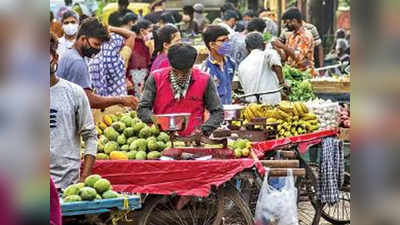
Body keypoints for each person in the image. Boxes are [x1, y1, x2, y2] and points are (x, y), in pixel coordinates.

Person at [138, 43, 223, 137]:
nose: (180, 76)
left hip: (194, 139)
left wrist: (204, 130)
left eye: (185, 73)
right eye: (175, 72)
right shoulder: (156, 77)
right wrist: (160, 122)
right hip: (162, 138)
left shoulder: (205, 79)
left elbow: (217, 112)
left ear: (192, 67)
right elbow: (143, 109)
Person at [50, 31, 97, 190]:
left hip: (66, 184)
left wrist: (84, 178)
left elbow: (90, 136)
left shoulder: (74, 93)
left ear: (55, 58)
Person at [57, 17, 138, 109]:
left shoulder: (70, 54)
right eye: (96, 44)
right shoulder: (77, 62)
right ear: (83, 39)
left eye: (100, 45)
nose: (98, 49)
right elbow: (89, 100)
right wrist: (121, 100)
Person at [88, 14, 136, 97]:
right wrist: (110, 28)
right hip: (120, 104)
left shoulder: (89, 59)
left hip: (98, 105)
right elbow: (131, 35)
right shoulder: (120, 60)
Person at [238, 32, 289, 105]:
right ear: (264, 45)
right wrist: (282, 82)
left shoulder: (242, 65)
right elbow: (275, 61)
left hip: (251, 105)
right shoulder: (267, 54)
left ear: (246, 48)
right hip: (270, 102)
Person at [272, 8, 316, 76]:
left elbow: (298, 57)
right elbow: (284, 57)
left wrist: (281, 46)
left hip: (304, 75)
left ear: (294, 21)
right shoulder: (291, 36)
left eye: (287, 22)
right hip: (292, 74)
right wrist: (275, 47)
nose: (286, 25)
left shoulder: (306, 36)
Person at [201, 25, 236, 105]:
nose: (227, 44)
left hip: (228, 110)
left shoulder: (231, 63)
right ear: (212, 44)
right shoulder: (206, 70)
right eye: (223, 41)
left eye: (228, 40)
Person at [127, 19, 153, 98]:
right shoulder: (131, 42)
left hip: (146, 75)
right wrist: (126, 78)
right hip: (134, 76)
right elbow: (125, 61)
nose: (152, 33)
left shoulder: (148, 42)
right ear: (142, 31)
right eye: (150, 30)